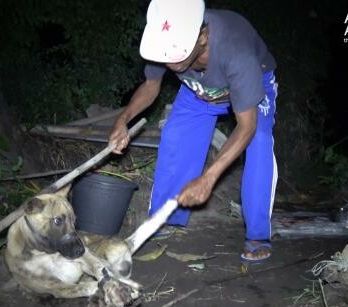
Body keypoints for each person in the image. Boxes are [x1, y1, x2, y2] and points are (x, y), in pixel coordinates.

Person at [108, 0, 278, 262]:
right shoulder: (164, 42)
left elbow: (247, 126)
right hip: (198, 90)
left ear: (203, 36)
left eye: (177, 53)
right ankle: (165, 218)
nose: (169, 61)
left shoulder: (236, 50)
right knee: (175, 134)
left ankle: (257, 235)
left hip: (254, 83)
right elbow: (151, 86)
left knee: (259, 141)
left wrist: (209, 178)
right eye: (166, 54)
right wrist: (123, 120)